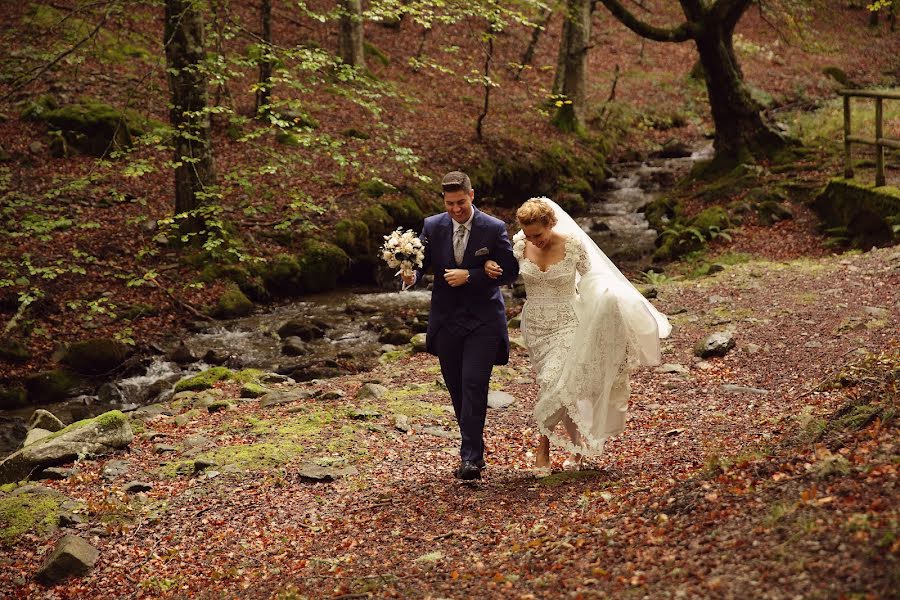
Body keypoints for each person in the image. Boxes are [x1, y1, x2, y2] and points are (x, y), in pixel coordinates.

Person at [484, 197, 670, 475]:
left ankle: (543, 447)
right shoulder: (521, 244)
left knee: (554, 381)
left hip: (568, 320)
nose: (534, 240)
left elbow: (593, 279)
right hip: (535, 325)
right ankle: (576, 445)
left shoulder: (572, 245)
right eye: (529, 234)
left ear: (551, 223)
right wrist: (489, 265)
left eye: (539, 234)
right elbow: (505, 271)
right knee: (562, 384)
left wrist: (609, 302)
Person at [401, 171, 519, 480]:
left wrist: (473, 274)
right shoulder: (432, 226)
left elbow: (510, 271)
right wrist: (409, 276)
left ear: (472, 195)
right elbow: (419, 264)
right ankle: (474, 447)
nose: (456, 209)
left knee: (473, 384)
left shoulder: (493, 228)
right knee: (456, 389)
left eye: (461, 202)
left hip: (483, 321)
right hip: (447, 320)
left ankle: (470, 458)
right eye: (450, 203)